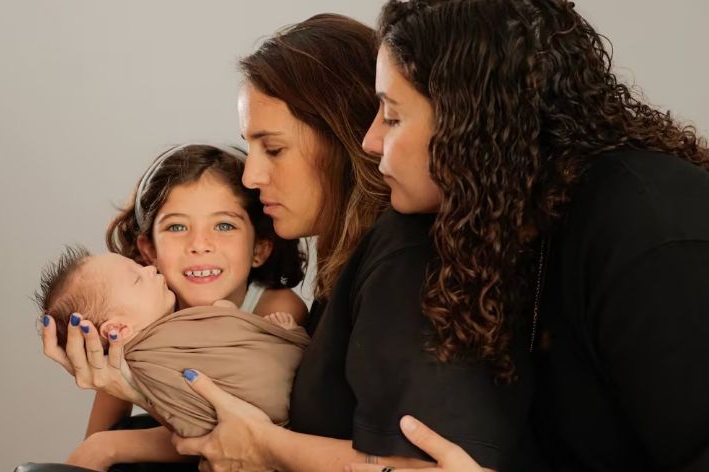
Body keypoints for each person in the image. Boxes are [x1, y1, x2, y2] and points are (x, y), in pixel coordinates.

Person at [41, 12, 533, 472]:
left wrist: (260, 446)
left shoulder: (400, 263)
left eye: (273, 149)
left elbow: (416, 465)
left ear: (340, 137)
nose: (252, 176)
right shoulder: (345, 274)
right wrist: (132, 389)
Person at [342, 0, 709, 471]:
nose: (370, 140)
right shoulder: (508, 224)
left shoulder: (651, 237)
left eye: (392, 116)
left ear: (471, 123)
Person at [41, 143, 307, 470]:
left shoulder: (276, 308)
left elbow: (238, 437)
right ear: (149, 250)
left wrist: (109, 446)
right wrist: (101, 440)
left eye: (224, 225)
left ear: (259, 248)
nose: (199, 245)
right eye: (177, 227)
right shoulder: (136, 321)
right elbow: (96, 439)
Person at [35, 246, 308, 438]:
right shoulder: (149, 355)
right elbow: (196, 418)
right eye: (136, 278)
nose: (151, 270)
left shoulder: (154, 345)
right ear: (117, 328)